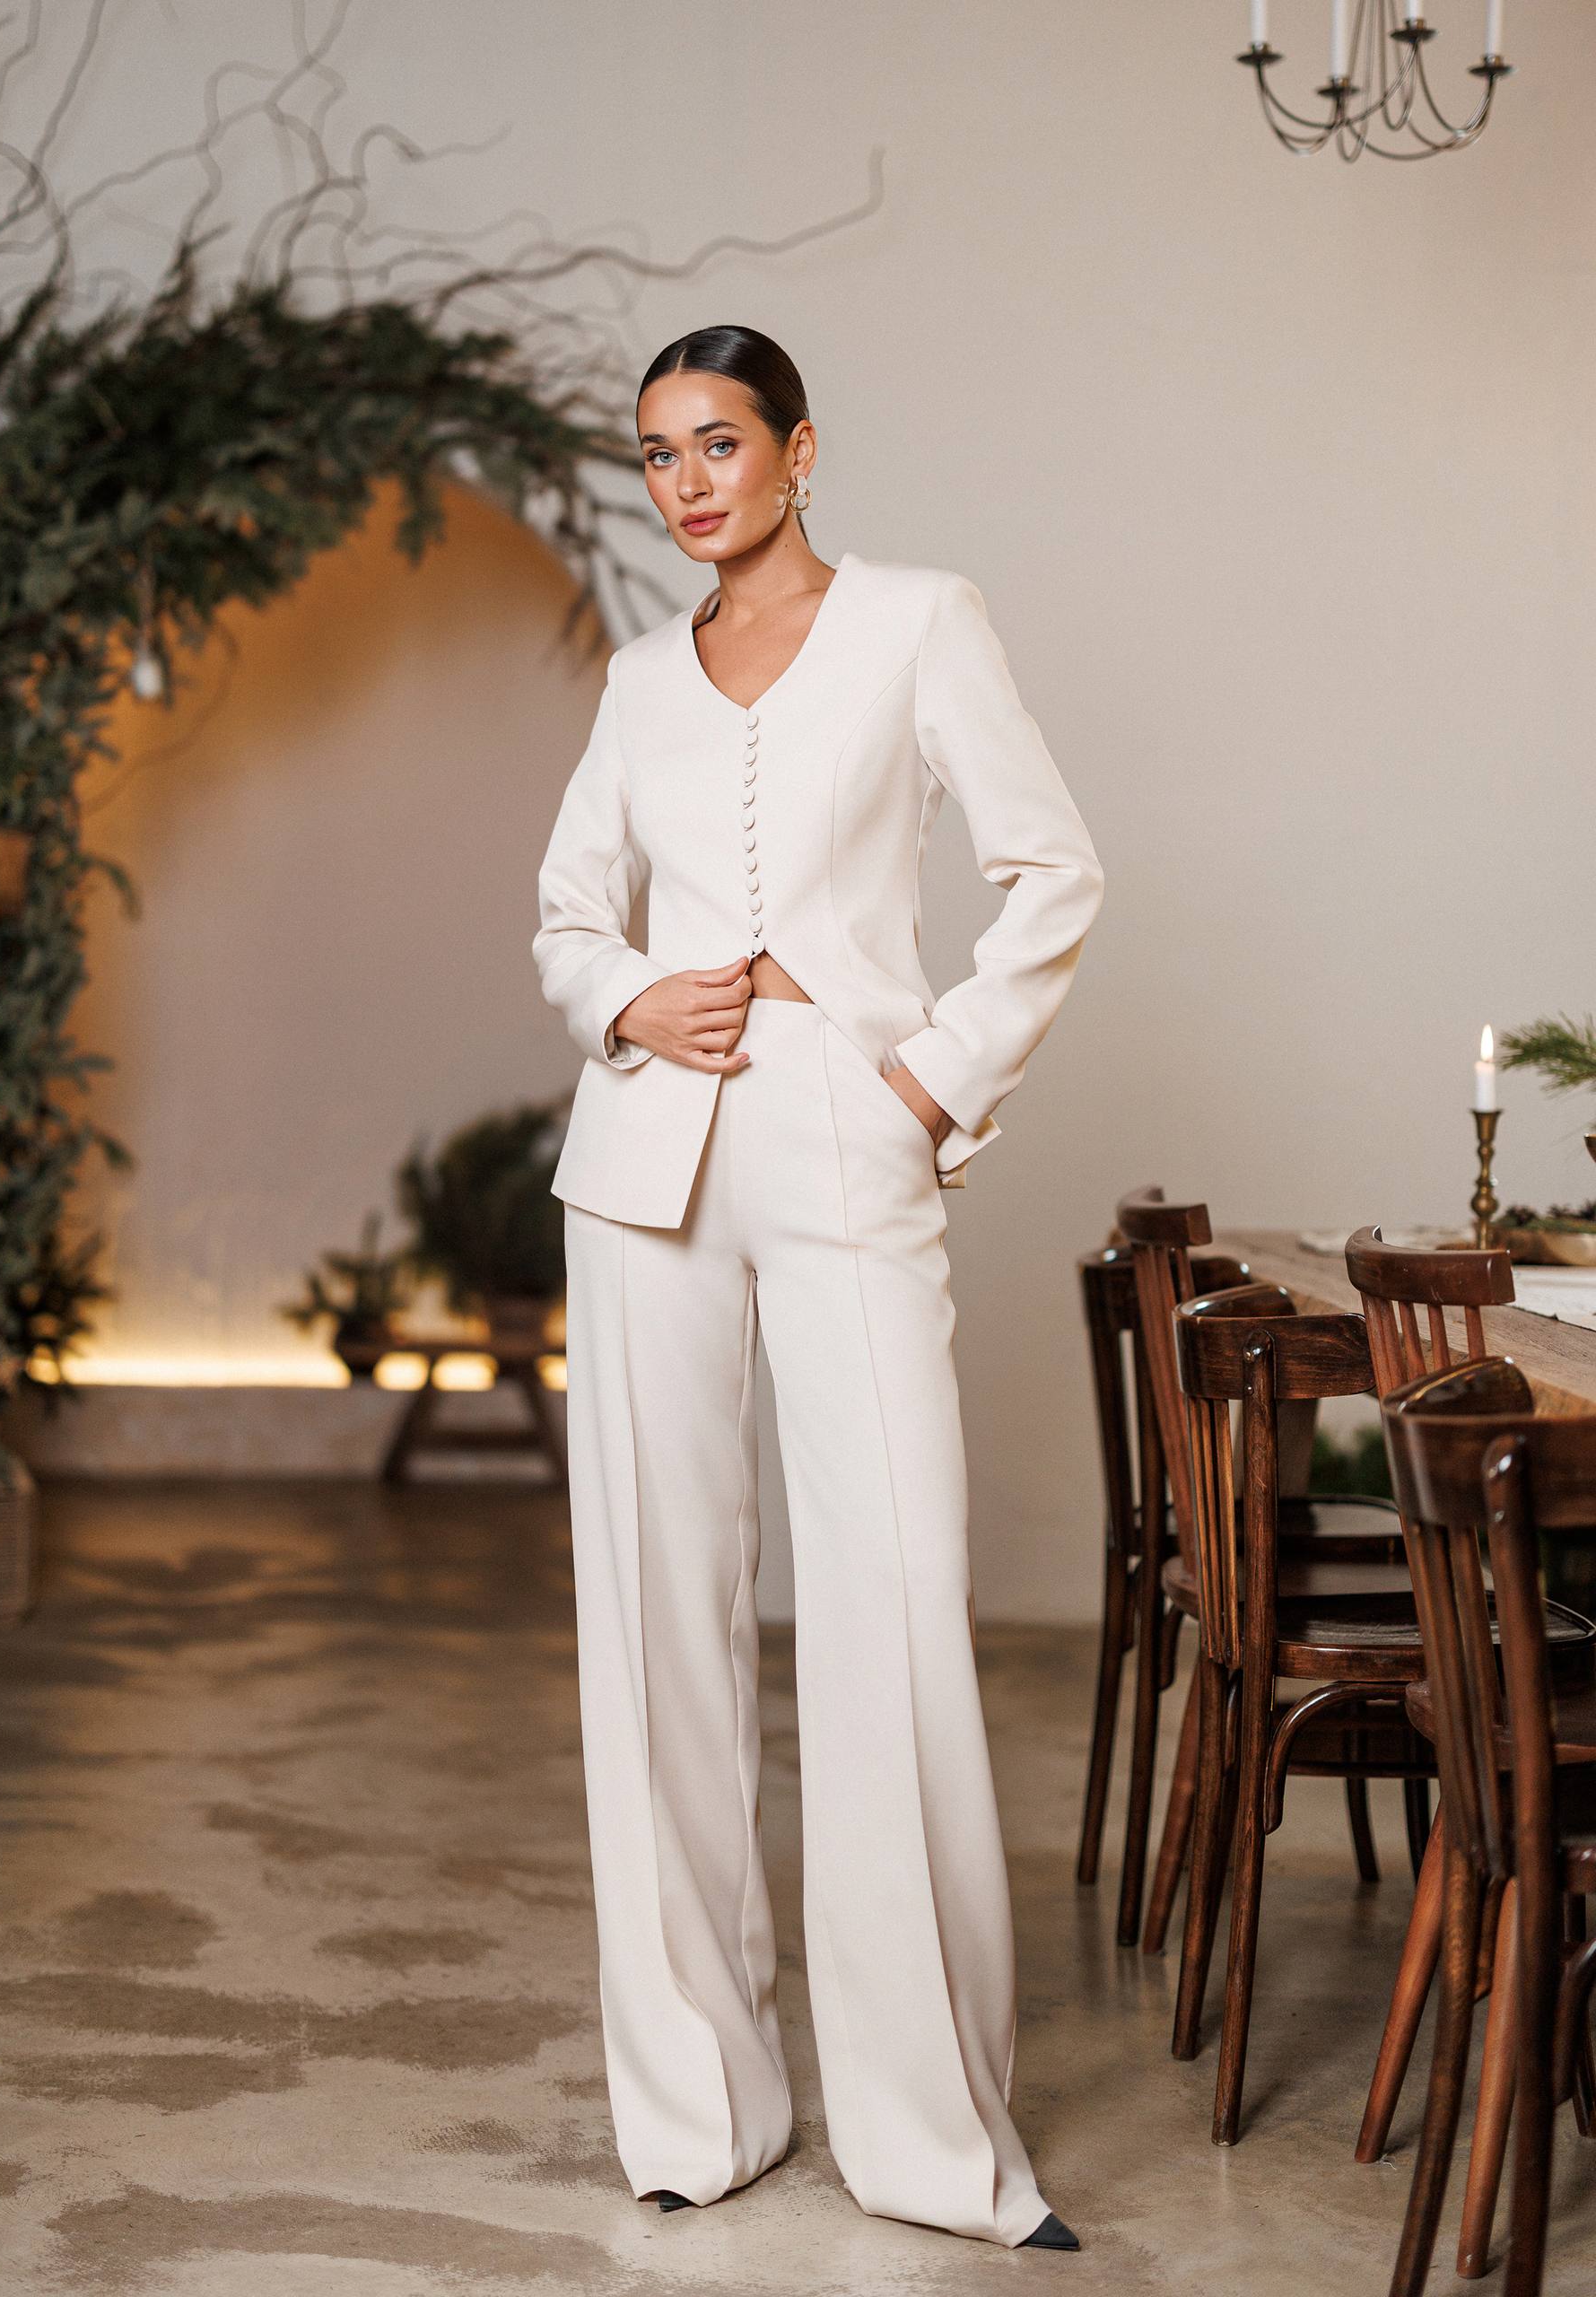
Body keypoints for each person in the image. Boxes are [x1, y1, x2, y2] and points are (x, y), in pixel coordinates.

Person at [531, 324, 1103, 2252]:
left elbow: (1055, 870)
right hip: (642, 1163)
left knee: (890, 1613)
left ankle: (932, 2132)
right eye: (657, 454)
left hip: (848, 1140)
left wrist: (931, 1072)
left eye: (718, 441)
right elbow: (560, 910)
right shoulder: (633, 682)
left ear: (797, 448)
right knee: (658, 1629)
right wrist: (625, 993)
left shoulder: (923, 621)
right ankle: (698, 2103)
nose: (688, 480)